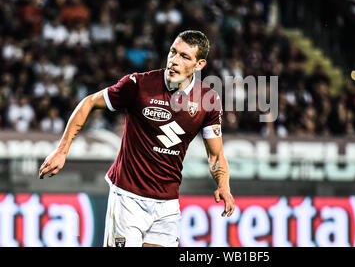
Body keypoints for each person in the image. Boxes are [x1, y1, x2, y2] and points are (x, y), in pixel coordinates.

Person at [39, 30, 235, 247]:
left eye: (184, 56)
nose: (174, 61)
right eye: (173, 52)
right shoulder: (138, 85)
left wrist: (223, 185)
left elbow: (216, 155)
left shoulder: (208, 100)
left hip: (167, 204)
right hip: (128, 197)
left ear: (199, 65)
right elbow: (89, 102)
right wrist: (62, 150)